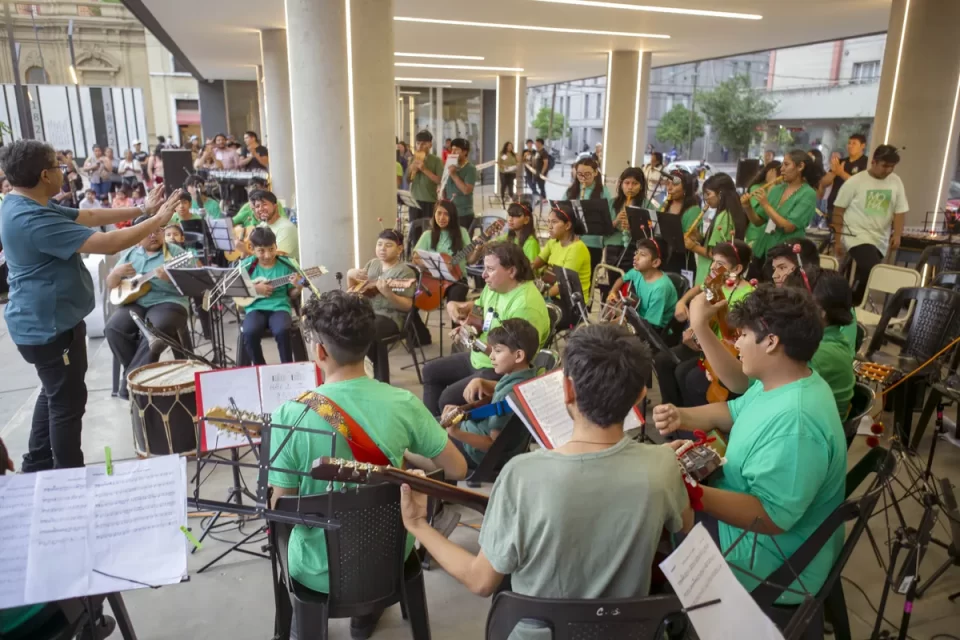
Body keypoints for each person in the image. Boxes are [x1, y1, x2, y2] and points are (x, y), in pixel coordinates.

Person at [403, 324, 693, 627]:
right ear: (641, 395)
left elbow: (480, 580)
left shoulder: (521, 474)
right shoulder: (663, 464)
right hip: (627, 631)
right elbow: (684, 523)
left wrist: (417, 523)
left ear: (567, 390)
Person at [268, 290, 467, 640]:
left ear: (320, 352)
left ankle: (307, 622)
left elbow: (281, 505)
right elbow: (457, 469)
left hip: (318, 570)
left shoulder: (290, 414)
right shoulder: (402, 402)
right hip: (389, 557)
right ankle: (366, 616)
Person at [654, 285, 846, 621]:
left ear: (771, 342)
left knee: (654, 518)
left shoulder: (797, 422)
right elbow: (733, 411)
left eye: (742, 335)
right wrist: (680, 415)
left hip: (773, 561)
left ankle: (673, 614)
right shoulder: (783, 380)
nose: (737, 343)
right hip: (755, 525)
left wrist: (688, 491)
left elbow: (770, 517)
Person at [0, 140, 179, 471]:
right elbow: (107, 242)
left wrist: (142, 209)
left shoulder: (26, 201)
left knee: (54, 393)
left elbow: (89, 215)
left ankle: (37, 462)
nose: (64, 171)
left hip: (46, 322)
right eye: (59, 166)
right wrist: (157, 221)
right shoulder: (31, 218)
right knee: (67, 405)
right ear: (45, 175)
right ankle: (68, 476)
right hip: (50, 327)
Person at [423, 242, 550, 415]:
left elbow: (514, 359)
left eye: (490, 269)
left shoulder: (525, 306)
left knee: (447, 398)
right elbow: (479, 310)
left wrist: (473, 341)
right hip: (481, 357)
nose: (483, 275)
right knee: (430, 372)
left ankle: (447, 429)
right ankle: (434, 427)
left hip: (501, 368)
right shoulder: (495, 286)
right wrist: (461, 313)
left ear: (511, 271)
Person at [656, 241, 754, 408]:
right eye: (713, 261)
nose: (713, 266)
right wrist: (682, 302)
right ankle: (671, 408)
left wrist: (701, 329)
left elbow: (735, 334)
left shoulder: (748, 295)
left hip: (724, 348)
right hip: (702, 340)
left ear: (737, 269)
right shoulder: (717, 281)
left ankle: (691, 414)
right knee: (662, 360)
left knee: (684, 372)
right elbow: (699, 289)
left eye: (720, 263)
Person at [105, 214, 194, 394]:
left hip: (169, 301)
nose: (153, 236)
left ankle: (131, 383)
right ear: (138, 237)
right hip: (136, 302)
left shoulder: (176, 253)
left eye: (157, 231)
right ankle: (139, 375)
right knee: (113, 328)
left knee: (154, 330)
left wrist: (170, 278)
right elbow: (111, 284)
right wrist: (115, 274)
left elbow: (192, 283)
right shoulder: (131, 254)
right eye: (147, 233)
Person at [443, 318, 539, 469]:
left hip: (481, 455)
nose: (491, 356)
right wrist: (487, 384)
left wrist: (456, 433)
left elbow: (493, 445)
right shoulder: (529, 376)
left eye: (498, 351)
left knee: (424, 440)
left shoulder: (506, 396)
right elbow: (505, 393)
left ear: (518, 356)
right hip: (508, 447)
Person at [832, 144, 909, 306]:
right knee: (870, 267)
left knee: (867, 273)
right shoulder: (856, 181)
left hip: (880, 238)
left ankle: (850, 302)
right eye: (885, 166)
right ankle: (854, 302)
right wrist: (838, 240)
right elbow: (838, 210)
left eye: (892, 167)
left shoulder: (896, 181)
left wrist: (897, 234)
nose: (888, 170)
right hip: (856, 234)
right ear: (873, 162)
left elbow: (900, 211)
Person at [345, 229, 416, 383]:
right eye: (379, 244)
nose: (382, 249)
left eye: (388, 245)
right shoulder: (373, 264)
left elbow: (407, 306)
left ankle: (380, 379)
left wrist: (389, 294)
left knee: (370, 329)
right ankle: (355, 374)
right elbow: (353, 292)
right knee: (346, 326)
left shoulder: (405, 272)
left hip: (391, 317)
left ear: (399, 249)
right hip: (367, 312)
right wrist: (350, 275)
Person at [766, 240, 859, 354]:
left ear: (805, 268)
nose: (774, 275)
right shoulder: (778, 298)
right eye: (774, 269)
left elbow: (843, 353)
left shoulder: (834, 303)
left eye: (782, 268)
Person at [747, 149, 822, 266]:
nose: (781, 169)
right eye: (782, 165)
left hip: (784, 254)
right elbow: (758, 222)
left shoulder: (808, 193)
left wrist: (766, 205)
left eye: (786, 164)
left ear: (800, 166)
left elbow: (788, 227)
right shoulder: (776, 189)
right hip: (761, 249)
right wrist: (747, 207)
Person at [239, 227, 302, 365]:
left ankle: (287, 367)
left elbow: (292, 294)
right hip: (254, 308)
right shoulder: (247, 265)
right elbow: (234, 289)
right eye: (261, 251)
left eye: (271, 249)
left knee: (282, 330)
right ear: (252, 249)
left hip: (280, 307)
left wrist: (298, 286)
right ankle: (260, 367)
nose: (267, 255)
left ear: (276, 246)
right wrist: (255, 289)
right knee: (249, 332)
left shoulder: (286, 264)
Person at [532, 206, 591, 326]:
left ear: (567, 225)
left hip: (571, 304)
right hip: (553, 297)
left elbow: (562, 286)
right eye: (548, 222)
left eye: (554, 222)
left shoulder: (577, 249)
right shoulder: (554, 242)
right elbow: (534, 264)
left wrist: (537, 297)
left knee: (533, 316)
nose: (549, 226)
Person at [687, 173, 748, 286]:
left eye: (708, 194)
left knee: (706, 297)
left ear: (720, 194)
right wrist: (700, 239)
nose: (706, 198)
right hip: (719, 275)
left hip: (711, 274)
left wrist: (692, 246)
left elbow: (714, 253)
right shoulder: (732, 213)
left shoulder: (723, 217)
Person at [608, 238, 678, 330]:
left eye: (642, 254)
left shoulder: (660, 288)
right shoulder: (637, 272)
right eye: (636, 253)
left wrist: (624, 321)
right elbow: (621, 279)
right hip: (637, 320)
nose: (635, 257)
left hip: (653, 330)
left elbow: (649, 325)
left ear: (655, 262)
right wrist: (613, 291)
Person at [413, 199, 472, 304]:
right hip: (432, 279)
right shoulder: (427, 235)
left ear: (452, 216)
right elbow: (415, 259)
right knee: (415, 300)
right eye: (439, 213)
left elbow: (470, 259)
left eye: (446, 214)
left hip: (457, 280)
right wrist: (436, 265)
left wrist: (478, 250)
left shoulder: (462, 232)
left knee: (455, 299)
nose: (441, 218)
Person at [741, 160, 783, 276]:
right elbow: (759, 211)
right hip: (756, 233)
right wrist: (772, 184)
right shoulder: (757, 187)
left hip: (771, 236)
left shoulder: (782, 189)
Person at [658, 169, 702, 275]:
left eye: (674, 184)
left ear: (686, 187)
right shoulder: (665, 205)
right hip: (662, 257)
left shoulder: (693, 210)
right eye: (668, 184)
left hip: (680, 261)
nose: (669, 188)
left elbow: (690, 239)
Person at [407, 130, 443, 247]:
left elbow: (439, 181)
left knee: (428, 231)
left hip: (429, 200)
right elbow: (407, 180)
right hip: (414, 201)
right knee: (414, 232)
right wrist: (411, 170)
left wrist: (424, 169)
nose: (420, 146)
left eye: (423, 143)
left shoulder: (436, 161)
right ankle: (415, 251)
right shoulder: (412, 159)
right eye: (418, 143)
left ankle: (428, 251)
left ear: (430, 145)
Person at [248, 189, 300, 262]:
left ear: (275, 206)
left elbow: (275, 258)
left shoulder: (286, 228)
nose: (260, 209)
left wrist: (245, 251)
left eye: (264, 204)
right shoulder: (262, 226)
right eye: (257, 206)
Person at [823, 133, 868, 216]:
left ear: (863, 146)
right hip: (833, 205)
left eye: (854, 143)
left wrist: (841, 173)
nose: (850, 146)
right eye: (849, 143)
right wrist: (833, 172)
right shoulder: (840, 162)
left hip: (852, 208)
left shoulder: (866, 163)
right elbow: (824, 183)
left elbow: (860, 185)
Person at [444, 137, 477, 228]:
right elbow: (446, 186)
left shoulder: (470, 168)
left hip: (463, 214)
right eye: (452, 150)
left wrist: (453, 175)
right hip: (449, 211)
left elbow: (467, 190)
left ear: (465, 152)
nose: (453, 153)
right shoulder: (450, 166)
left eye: (456, 150)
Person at [533, 138, 550, 203]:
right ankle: (540, 198)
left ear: (541, 144)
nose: (536, 144)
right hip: (536, 172)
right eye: (536, 143)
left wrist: (542, 173)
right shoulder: (537, 152)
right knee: (538, 185)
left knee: (541, 186)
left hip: (541, 173)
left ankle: (544, 198)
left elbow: (546, 163)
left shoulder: (544, 152)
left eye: (537, 143)